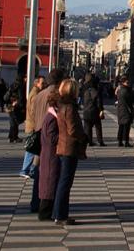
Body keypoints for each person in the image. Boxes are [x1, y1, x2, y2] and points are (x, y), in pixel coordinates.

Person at [53, 78, 89, 225]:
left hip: (62, 147)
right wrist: (84, 137)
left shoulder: (62, 105)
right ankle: (60, 215)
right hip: (69, 148)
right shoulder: (70, 107)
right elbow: (72, 129)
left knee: (63, 182)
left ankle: (58, 213)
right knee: (65, 182)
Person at [38, 89, 60, 221]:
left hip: (49, 153)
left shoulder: (50, 115)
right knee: (49, 182)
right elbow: (52, 138)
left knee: (49, 181)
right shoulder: (51, 117)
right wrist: (63, 136)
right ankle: (45, 212)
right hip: (50, 154)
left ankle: (47, 209)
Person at [20, 75, 46, 179]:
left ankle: (30, 169)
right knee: (32, 148)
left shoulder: (36, 93)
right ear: (36, 83)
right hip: (33, 125)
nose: (44, 85)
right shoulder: (35, 94)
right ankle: (26, 169)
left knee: (33, 148)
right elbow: (33, 111)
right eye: (42, 83)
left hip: (33, 125)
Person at [81, 74, 105, 146]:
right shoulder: (94, 91)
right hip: (94, 111)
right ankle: (100, 141)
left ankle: (89, 141)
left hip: (86, 111)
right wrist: (101, 110)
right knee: (98, 127)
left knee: (88, 128)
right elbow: (98, 102)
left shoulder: (84, 90)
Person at [116, 76, 134, 147]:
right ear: (124, 82)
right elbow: (132, 99)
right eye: (127, 82)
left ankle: (120, 142)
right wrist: (132, 91)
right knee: (127, 127)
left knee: (121, 126)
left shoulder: (119, 90)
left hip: (120, 110)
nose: (128, 83)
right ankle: (126, 142)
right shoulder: (126, 90)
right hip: (126, 111)